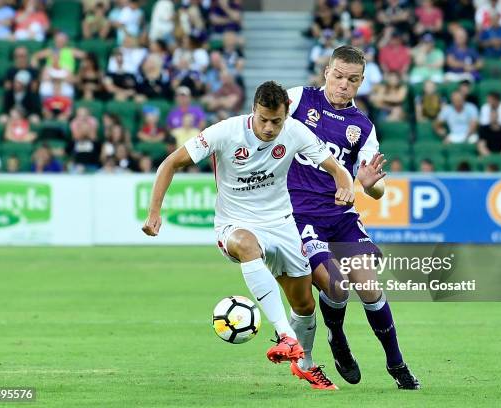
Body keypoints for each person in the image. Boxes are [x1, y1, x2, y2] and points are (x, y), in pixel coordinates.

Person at [142, 81, 364, 390]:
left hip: (282, 225)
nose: (270, 127)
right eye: (264, 119)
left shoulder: (296, 132)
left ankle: (306, 364)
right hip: (235, 224)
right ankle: (285, 336)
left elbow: (335, 167)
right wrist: (154, 212)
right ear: (253, 111)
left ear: (286, 113)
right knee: (247, 245)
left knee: (304, 305)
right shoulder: (225, 132)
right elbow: (171, 163)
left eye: (277, 120)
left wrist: (345, 183)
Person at [286, 45, 420, 389]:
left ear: (361, 83)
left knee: (371, 288)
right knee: (335, 285)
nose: (344, 84)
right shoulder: (299, 100)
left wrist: (371, 185)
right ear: (326, 73)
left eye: (353, 80)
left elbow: (375, 188)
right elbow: (262, 126)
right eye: (339, 76)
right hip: (300, 214)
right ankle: (337, 339)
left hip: (341, 215)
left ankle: (397, 363)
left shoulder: (362, 126)